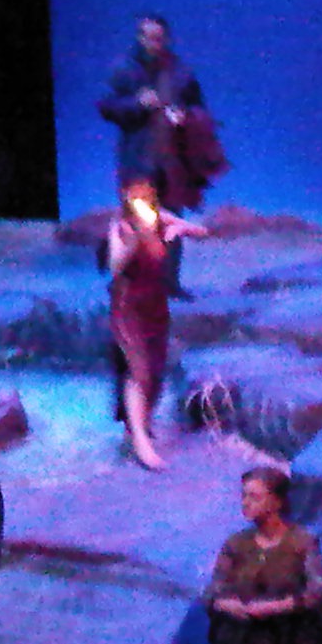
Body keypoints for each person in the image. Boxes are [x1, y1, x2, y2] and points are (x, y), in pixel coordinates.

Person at [98, 14, 225, 297]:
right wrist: (137, 103)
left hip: (171, 163)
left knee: (171, 225)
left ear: (166, 39)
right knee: (136, 226)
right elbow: (107, 106)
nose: (153, 42)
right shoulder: (125, 71)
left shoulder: (181, 73)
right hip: (138, 162)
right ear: (139, 38)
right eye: (147, 36)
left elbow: (200, 109)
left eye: (158, 37)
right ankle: (130, 286)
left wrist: (185, 116)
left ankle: (169, 285)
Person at [205, 468, 322, 644]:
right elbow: (214, 589)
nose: (245, 503)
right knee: (237, 621)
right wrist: (225, 603)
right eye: (243, 496)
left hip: (289, 625)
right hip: (244, 620)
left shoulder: (302, 540)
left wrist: (275, 607)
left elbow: (318, 591)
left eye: (254, 497)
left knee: (253, 624)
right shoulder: (235, 543)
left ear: (277, 502)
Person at [105, 178, 209, 471]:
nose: (141, 205)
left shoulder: (160, 218)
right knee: (138, 371)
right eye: (135, 200)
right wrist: (133, 243)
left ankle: (137, 427)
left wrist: (182, 227)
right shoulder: (121, 227)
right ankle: (141, 442)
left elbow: (202, 231)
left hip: (155, 305)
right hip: (128, 308)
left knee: (155, 372)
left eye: (145, 199)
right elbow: (115, 266)